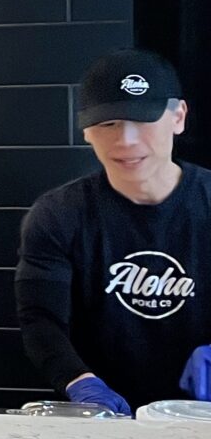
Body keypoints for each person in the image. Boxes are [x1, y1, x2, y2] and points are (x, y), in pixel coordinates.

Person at [16, 49, 211, 412]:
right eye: (108, 124)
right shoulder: (58, 215)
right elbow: (41, 320)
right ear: (86, 131)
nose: (126, 140)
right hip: (100, 420)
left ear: (178, 117)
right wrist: (79, 381)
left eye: (145, 119)